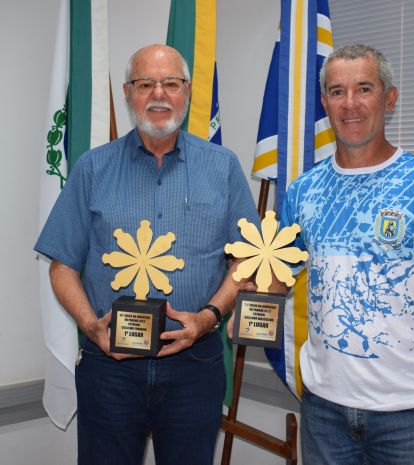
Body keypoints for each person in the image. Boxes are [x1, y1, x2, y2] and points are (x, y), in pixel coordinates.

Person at [35, 44, 259, 465]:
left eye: (171, 83)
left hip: (196, 365)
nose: (159, 94)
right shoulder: (92, 168)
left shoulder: (223, 167)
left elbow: (247, 260)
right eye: (145, 84)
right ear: (128, 93)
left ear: (187, 91)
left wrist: (209, 317)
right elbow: (62, 265)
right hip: (110, 368)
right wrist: (91, 326)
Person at [271, 44, 414, 464]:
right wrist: (245, 295)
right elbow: (278, 275)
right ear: (325, 104)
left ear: (389, 98)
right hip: (323, 411)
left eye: (364, 89)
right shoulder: (302, 191)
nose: (350, 103)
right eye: (337, 92)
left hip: (409, 415)